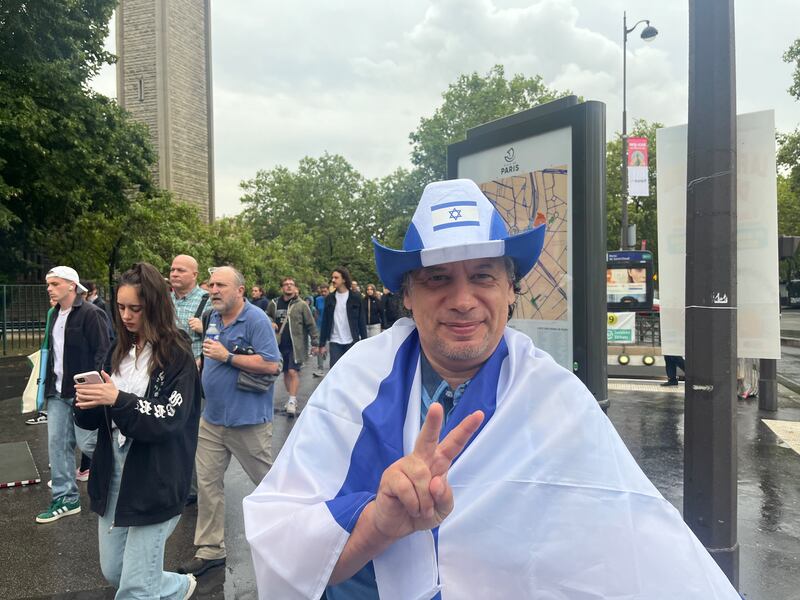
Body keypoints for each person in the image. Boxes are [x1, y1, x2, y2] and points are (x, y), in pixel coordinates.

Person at [243, 179, 740, 599]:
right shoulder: (356, 381)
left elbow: (633, 553)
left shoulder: (555, 400)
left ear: (510, 290)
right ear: (408, 296)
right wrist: (377, 523)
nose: (463, 300)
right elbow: (287, 550)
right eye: (438, 279)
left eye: (482, 275)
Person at [73, 262, 201, 599]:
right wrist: (87, 402)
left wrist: (116, 398)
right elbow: (99, 416)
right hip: (113, 469)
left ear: (155, 306)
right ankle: (178, 587)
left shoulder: (177, 353)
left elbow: (170, 416)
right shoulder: (119, 349)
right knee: (115, 571)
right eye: (121, 307)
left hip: (156, 474)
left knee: (135, 587)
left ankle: (156, 589)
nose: (126, 316)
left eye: (136, 308)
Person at [180, 266, 281, 577]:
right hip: (212, 419)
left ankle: (292, 536)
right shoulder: (212, 317)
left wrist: (228, 357)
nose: (213, 290)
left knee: (269, 483)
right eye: (211, 285)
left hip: (247, 421)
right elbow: (209, 354)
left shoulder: (256, 320)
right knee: (208, 485)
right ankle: (210, 549)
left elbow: (272, 365)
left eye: (221, 285)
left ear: (240, 290)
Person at [35, 266, 110, 524]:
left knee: (90, 444)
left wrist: (96, 386)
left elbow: (103, 351)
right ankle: (66, 498)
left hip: (83, 392)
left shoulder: (91, 313)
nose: (49, 288)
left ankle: (120, 481)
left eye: (55, 284)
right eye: (48, 284)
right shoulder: (53, 314)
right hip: (57, 392)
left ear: (72, 286)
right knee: (57, 445)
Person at [266, 276, 319, 416]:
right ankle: (291, 397)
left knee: (292, 371)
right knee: (285, 372)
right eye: (286, 284)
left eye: (291, 284)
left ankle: (292, 400)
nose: (289, 286)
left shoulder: (302, 305)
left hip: (296, 346)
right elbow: (266, 315)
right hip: (278, 344)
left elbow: (311, 324)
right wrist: (271, 321)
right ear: (282, 288)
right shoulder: (274, 303)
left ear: (295, 288)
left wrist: (315, 342)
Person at [317, 267, 367, 369]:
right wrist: (322, 344)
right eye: (332, 278)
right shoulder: (330, 298)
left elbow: (361, 321)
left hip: (351, 341)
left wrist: (364, 342)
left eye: (336, 278)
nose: (333, 280)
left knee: (351, 371)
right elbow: (325, 322)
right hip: (335, 341)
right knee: (335, 371)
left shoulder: (356, 298)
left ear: (344, 279)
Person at [169, 254, 209, 363]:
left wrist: (204, 329)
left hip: (194, 366)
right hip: (165, 364)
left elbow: (222, 336)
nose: (174, 274)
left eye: (181, 270)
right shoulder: (164, 299)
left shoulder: (208, 300)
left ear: (194, 275)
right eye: (172, 270)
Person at [312, 285, 328, 377]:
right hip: (319, 325)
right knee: (320, 346)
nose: (323, 293)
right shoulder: (318, 300)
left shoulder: (332, 299)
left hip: (330, 326)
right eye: (322, 292)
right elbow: (316, 312)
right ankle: (320, 368)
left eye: (325, 291)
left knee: (329, 347)